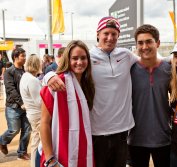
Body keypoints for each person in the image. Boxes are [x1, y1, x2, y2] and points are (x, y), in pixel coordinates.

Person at [43, 16, 138, 167]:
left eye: (114, 34)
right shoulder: (87, 57)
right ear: (98, 34)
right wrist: (48, 76)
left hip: (122, 131)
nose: (109, 37)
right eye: (106, 33)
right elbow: (66, 70)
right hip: (95, 133)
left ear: (118, 36)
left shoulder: (126, 55)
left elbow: (150, 59)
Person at [40, 40, 95, 167]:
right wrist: (49, 158)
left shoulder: (88, 84)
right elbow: (43, 123)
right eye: (75, 58)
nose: (80, 62)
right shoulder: (57, 82)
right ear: (67, 59)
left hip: (84, 151)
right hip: (60, 153)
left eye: (83, 58)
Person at [127, 24, 171, 167]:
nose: (144, 46)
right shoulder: (128, 69)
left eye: (149, 41)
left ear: (157, 43)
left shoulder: (170, 69)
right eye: (140, 43)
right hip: (135, 139)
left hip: (164, 138)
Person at [0, 48, 31, 160]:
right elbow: (11, 90)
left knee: (27, 130)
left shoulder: (25, 71)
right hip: (13, 107)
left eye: (25, 55)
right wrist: (21, 103)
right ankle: (2, 141)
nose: (25, 58)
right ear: (15, 57)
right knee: (14, 130)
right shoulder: (9, 72)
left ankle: (22, 152)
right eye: (23, 55)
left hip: (26, 107)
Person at [20, 54, 42, 167]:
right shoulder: (32, 80)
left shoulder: (25, 77)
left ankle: (34, 164)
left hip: (32, 114)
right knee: (43, 143)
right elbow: (40, 102)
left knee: (35, 142)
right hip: (38, 116)